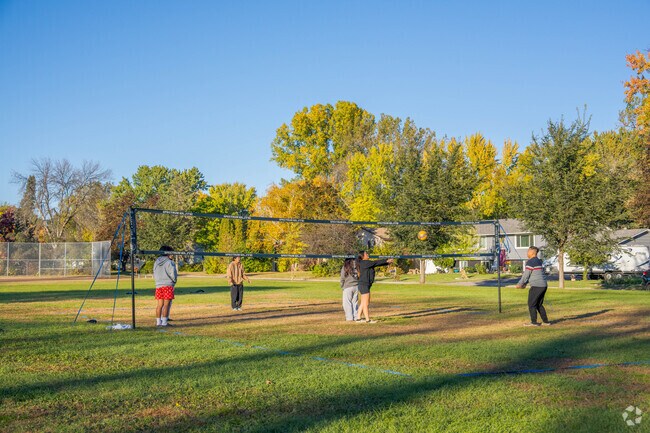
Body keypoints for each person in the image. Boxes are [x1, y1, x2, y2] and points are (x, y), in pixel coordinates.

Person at [516, 246, 551, 326]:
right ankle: (546, 322)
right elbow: (534, 275)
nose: (527, 253)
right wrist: (525, 284)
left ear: (532, 252)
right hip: (543, 285)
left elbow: (526, 275)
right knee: (539, 304)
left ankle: (533, 322)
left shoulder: (531, 262)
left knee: (531, 304)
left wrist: (520, 284)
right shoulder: (539, 261)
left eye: (528, 251)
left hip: (536, 286)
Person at [356, 251, 394, 323]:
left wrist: (387, 262)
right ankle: (368, 320)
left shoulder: (365, 263)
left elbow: (376, 264)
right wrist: (386, 260)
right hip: (364, 285)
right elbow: (376, 262)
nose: (368, 254)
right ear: (362, 256)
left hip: (364, 284)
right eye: (366, 254)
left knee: (363, 302)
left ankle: (358, 318)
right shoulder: (365, 262)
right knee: (366, 303)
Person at [154, 245, 177, 327]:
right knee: (167, 304)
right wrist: (174, 281)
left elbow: (155, 272)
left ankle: (158, 322)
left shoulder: (156, 262)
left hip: (158, 286)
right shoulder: (169, 262)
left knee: (159, 305)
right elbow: (173, 274)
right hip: (168, 285)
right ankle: (164, 322)